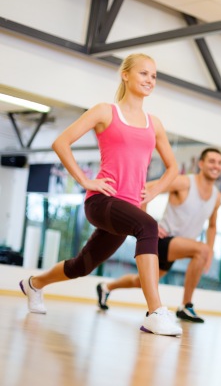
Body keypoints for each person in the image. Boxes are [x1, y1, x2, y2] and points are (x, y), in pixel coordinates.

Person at [19, 53, 182, 336]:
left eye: (154, 76)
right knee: (148, 227)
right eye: (144, 73)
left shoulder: (153, 123)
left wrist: (154, 189)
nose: (149, 80)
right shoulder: (105, 112)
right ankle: (155, 312)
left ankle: (34, 284)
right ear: (126, 75)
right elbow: (61, 142)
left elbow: (173, 168)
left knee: (83, 265)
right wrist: (85, 180)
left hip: (128, 209)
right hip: (102, 201)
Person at [97, 147, 221, 323]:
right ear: (201, 164)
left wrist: (210, 251)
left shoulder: (217, 196)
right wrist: (147, 222)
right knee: (200, 250)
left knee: (140, 282)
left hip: (178, 246)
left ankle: (106, 287)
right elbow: (146, 188)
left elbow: (212, 226)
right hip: (163, 240)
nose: (216, 166)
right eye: (211, 161)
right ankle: (186, 306)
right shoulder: (184, 182)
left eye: (219, 162)